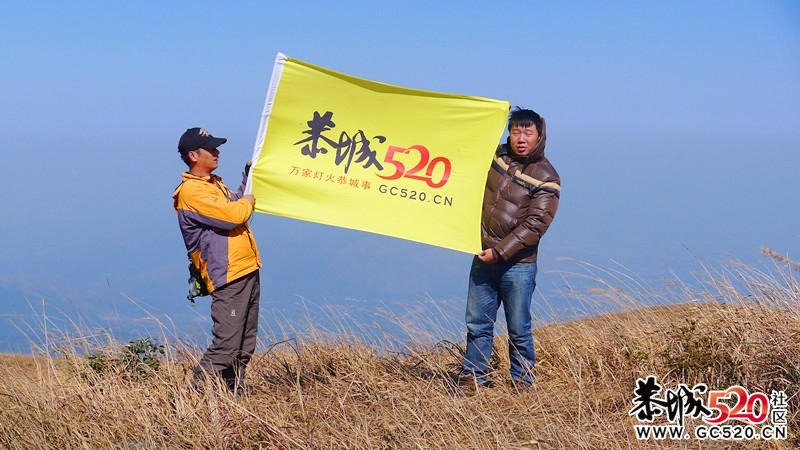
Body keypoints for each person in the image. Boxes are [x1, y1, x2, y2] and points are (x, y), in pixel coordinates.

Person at [459, 107, 561, 388]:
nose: (521, 137)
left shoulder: (547, 177)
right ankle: (473, 378)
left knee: (518, 328)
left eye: (528, 132)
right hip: (483, 256)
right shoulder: (496, 156)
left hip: (518, 265)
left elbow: (535, 225)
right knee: (478, 322)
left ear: (539, 136)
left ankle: (522, 382)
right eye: (515, 131)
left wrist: (499, 253)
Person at [172, 127, 262, 394]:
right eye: (210, 149)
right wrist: (247, 201)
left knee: (244, 344)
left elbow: (233, 203)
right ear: (193, 155)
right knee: (227, 345)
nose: (217, 152)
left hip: (245, 269)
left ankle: (231, 399)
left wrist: (249, 177)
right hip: (228, 275)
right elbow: (233, 215)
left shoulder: (213, 185)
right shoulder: (191, 192)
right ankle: (192, 402)